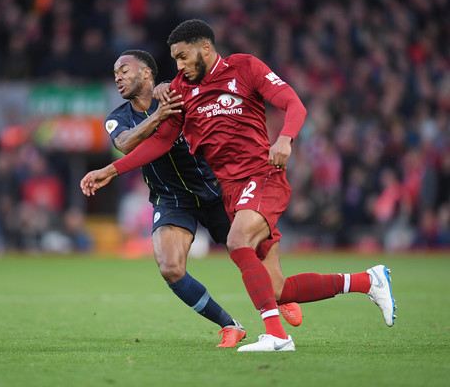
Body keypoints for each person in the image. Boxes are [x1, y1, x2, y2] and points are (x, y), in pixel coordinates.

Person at [81, 20, 396, 352]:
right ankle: (368, 281)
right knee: (276, 287)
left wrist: (285, 139)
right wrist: (112, 170)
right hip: (223, 190)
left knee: (237, 241)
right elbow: (158, 143)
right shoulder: (180, 91)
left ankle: (275, 335)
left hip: (260, 175)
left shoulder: (244, 67)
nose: (179, 67)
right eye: (175, 60)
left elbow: (294, 104)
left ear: (205, 49)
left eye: (183, 57)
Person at [98, 49, 245, 348]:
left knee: (251, 252)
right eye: (115, 73)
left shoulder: (175, 95)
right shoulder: (117, 119)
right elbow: (125, 144)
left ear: (147, 73)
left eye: (124, 69)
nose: (118, 76)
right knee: (170, 267)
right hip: (171, 199)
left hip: (214, 191)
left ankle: (278, 298)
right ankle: (229, 325)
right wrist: (158, 117)